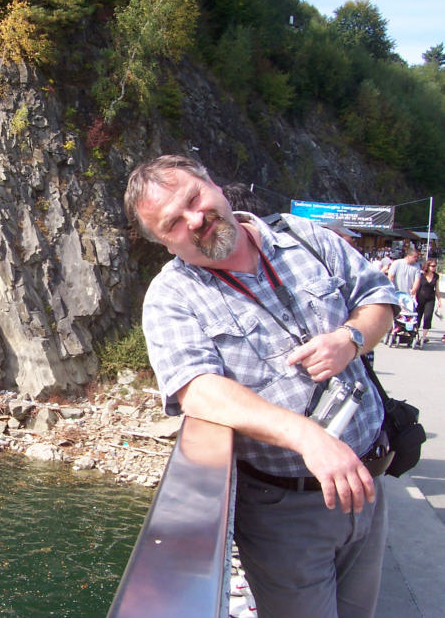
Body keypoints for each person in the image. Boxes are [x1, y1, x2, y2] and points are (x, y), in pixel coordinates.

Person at [124, 155, 398, 618]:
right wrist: (305, 435)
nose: (195, 219)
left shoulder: (304, 237)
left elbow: (378, 298)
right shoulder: (172, 297)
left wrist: (350, 339)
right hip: (286, 511)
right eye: (173, 223)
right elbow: (197, 388)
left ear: (213, 183)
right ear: (164, 243)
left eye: (194, 198)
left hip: (370, 479)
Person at [410, 259, 441, 345]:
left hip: (430, 299)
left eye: (435, 266)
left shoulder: (436, 276)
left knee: (428, 317)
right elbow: (416, 285)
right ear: (428, 266)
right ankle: (415, 336)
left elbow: (437, 289)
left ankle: (423, 337)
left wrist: (439, 300)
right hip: (419, 298)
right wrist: (413, 294)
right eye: (433, 266)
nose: (434, 268)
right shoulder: (421, 274)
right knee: (417, 317)